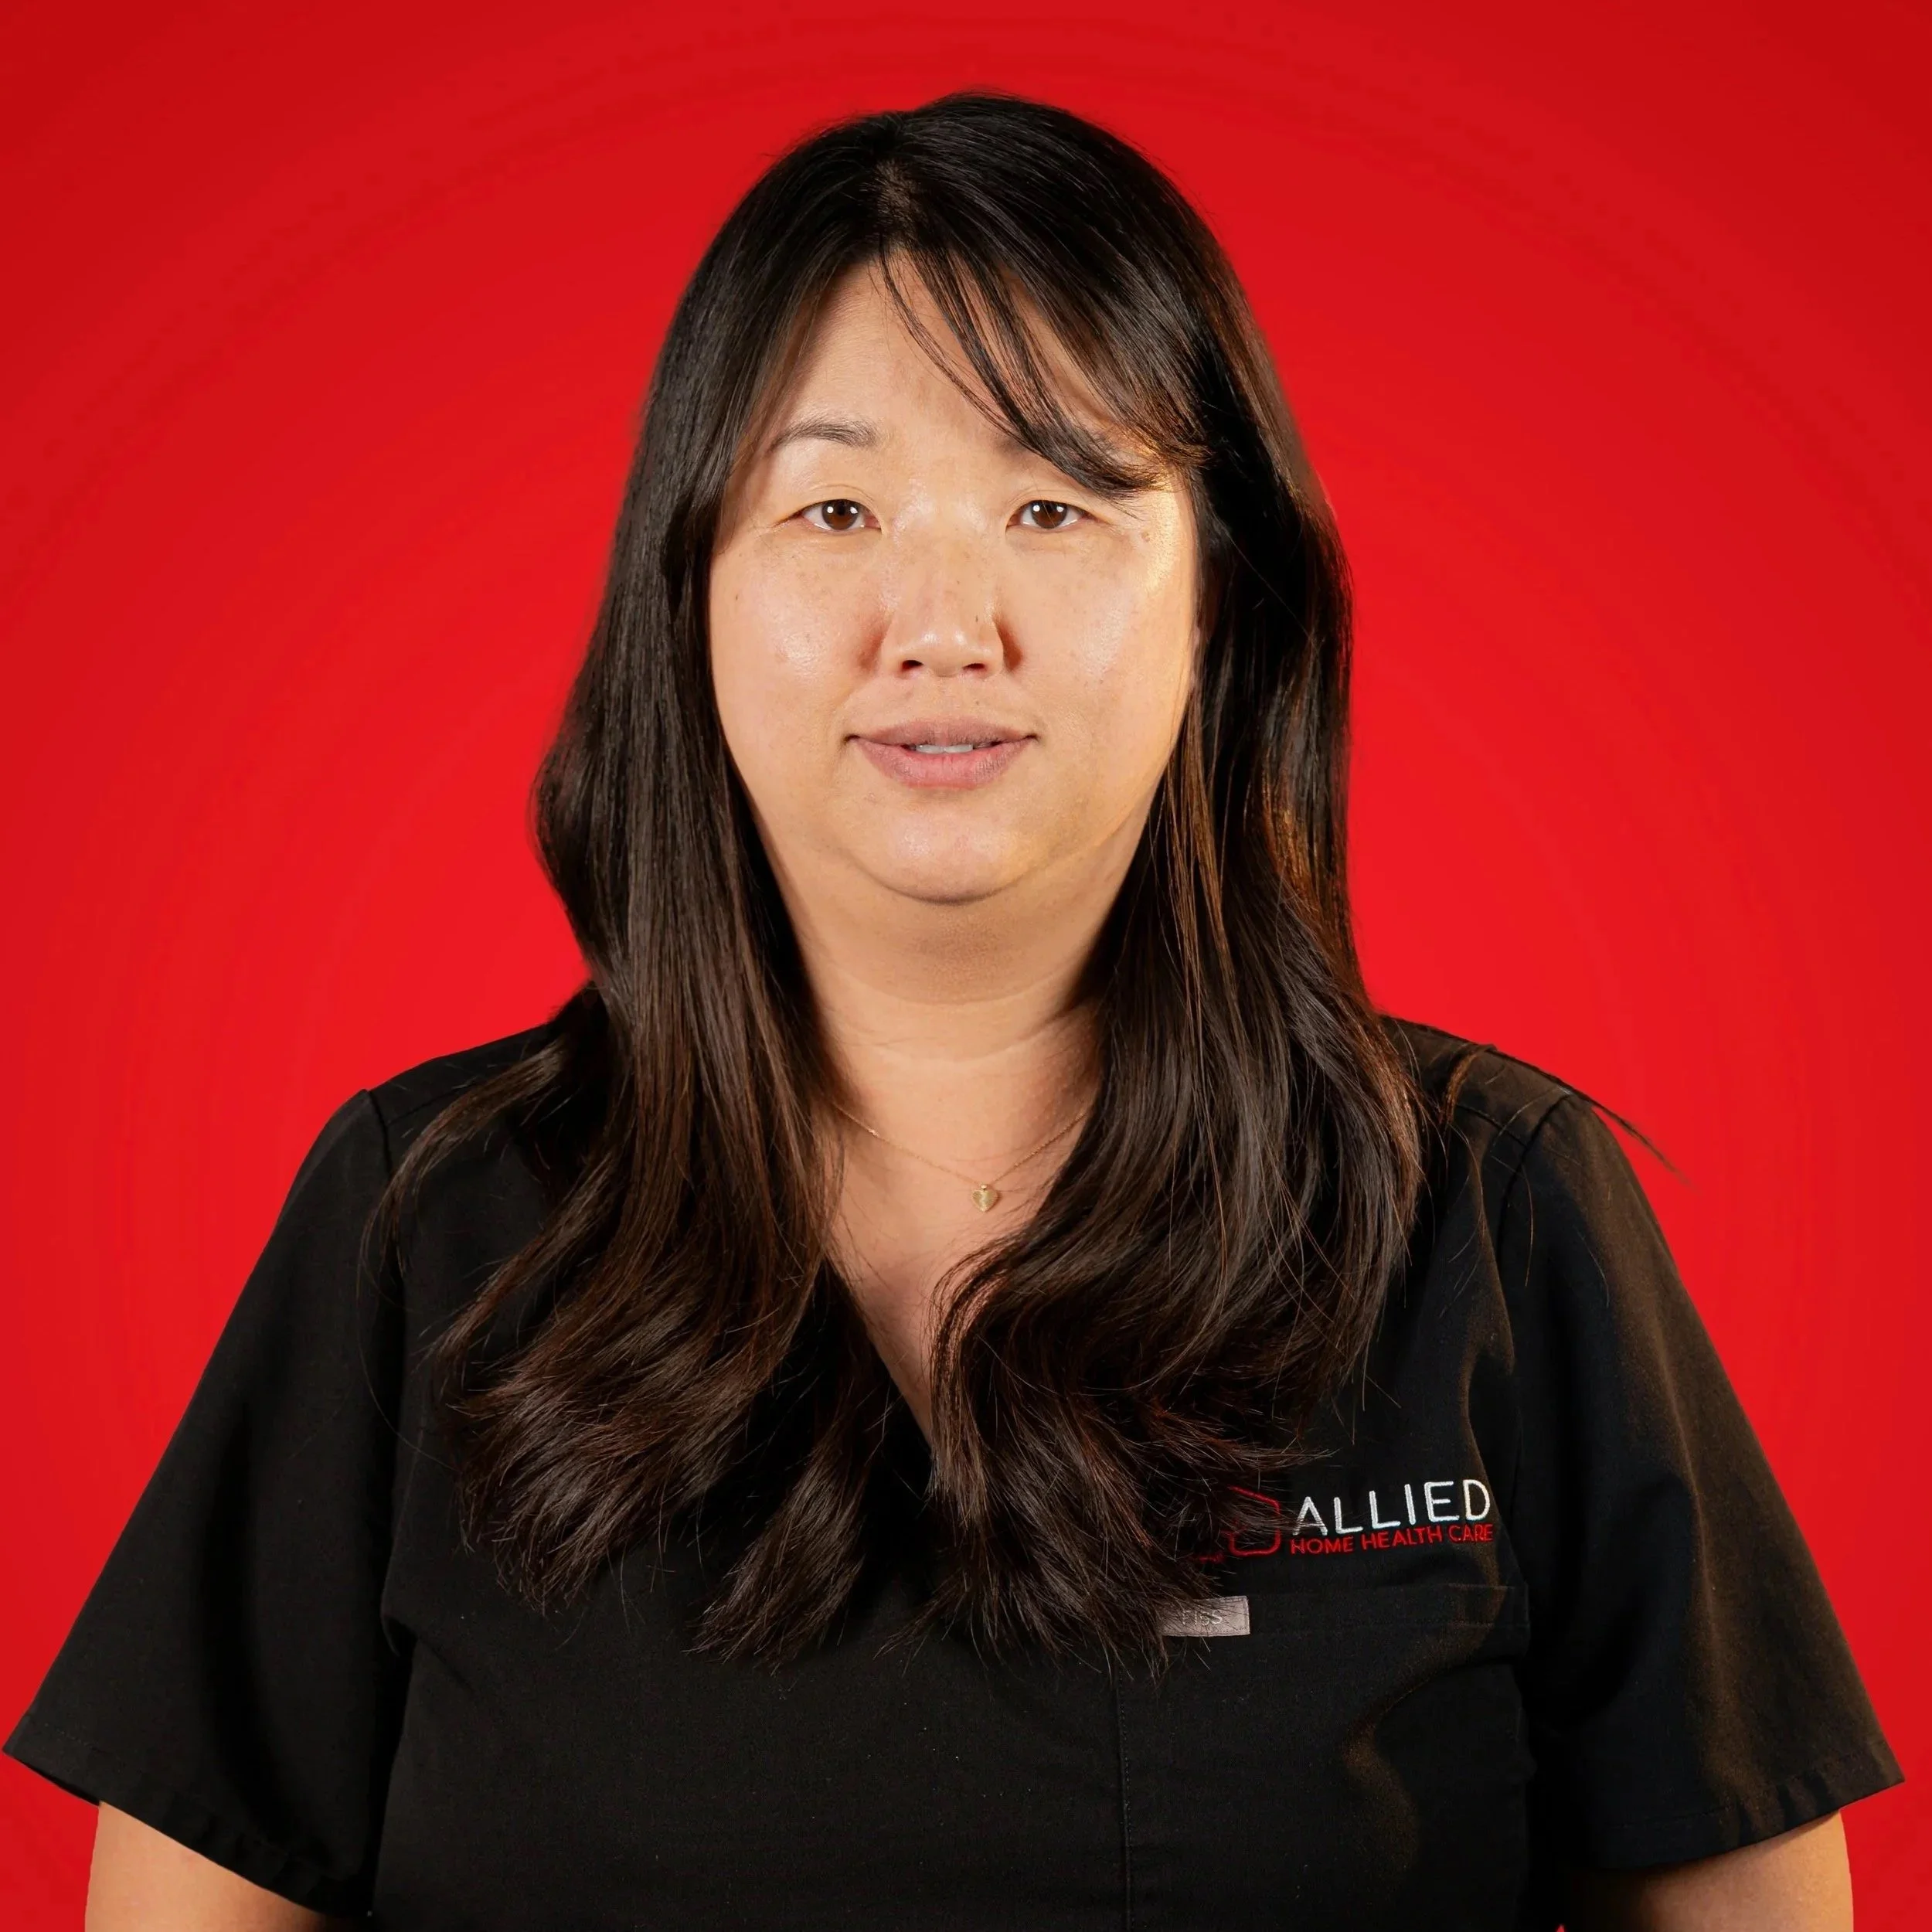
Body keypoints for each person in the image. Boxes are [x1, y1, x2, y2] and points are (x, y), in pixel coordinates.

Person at [8, 92, 1900, 1932]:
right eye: (832, 506)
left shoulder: (1491, 1212)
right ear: (688, 590)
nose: (939, 622)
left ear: (1220, 600)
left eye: (1053, 503)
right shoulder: (426, 1223)